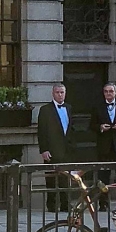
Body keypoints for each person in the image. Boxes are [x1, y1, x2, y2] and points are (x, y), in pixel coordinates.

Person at [36, 83, 72, 213]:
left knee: (65, 178)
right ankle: (52, 205)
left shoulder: (69, 108)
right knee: (51, 178)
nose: (60, 95)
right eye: (57, 92)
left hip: (66, 149)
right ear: (53, 93)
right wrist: (44, 149)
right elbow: (41, 131)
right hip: (51, 149)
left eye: (62, 92)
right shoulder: (45, 110)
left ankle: (65, 204)